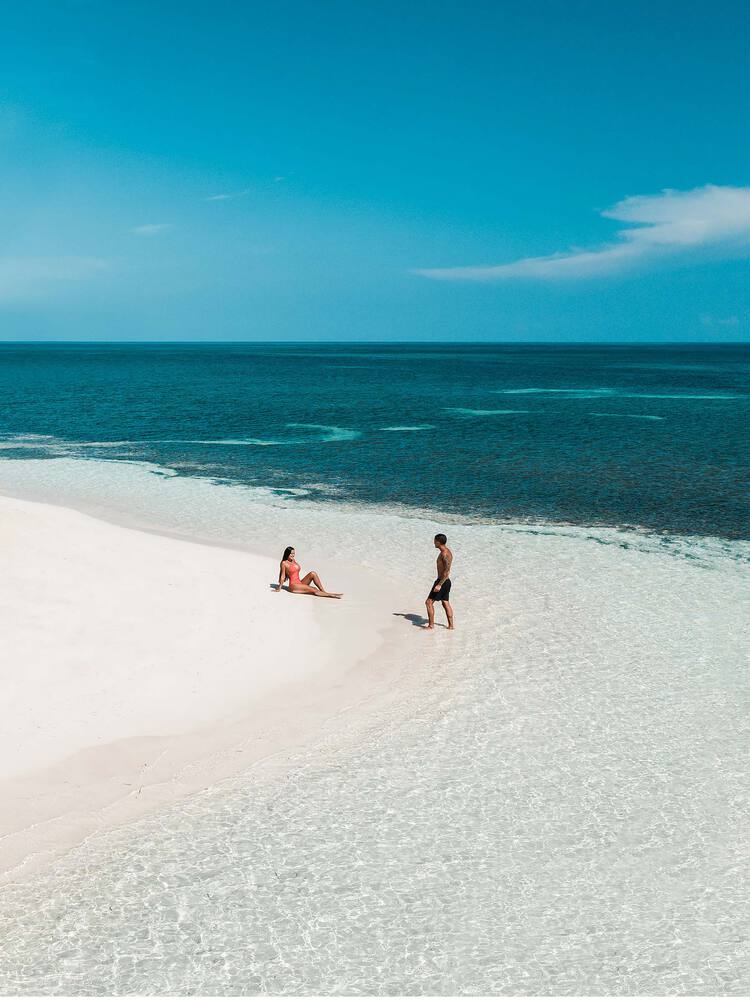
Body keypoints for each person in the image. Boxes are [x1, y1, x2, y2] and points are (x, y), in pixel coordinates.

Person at [276, 546, 343, 598]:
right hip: (293, 586)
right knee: (313, 589)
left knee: (312, 573)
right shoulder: (284, 563)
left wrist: (293, 560)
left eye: (294, 553)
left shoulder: (293, 560)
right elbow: (283, 576)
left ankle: (323, 591)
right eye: (291, 553)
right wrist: (279, 588)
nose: (293, 555)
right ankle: (331, 595)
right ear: (287, 553)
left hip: (299, 583)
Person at [424, 533, 454, 629]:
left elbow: (447, 571)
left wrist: (439, 584)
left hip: (442, 582)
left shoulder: (445, 554)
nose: (433, 543)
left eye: (434, 541)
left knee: (428, 602)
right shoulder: (445, 552)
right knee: (445, 602)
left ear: (438, 542)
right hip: (445, 582)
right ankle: (451, 626)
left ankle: (431, 626)